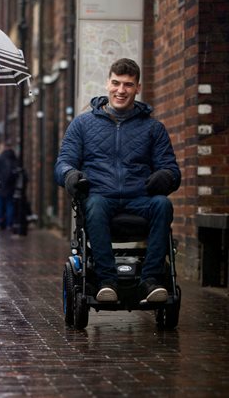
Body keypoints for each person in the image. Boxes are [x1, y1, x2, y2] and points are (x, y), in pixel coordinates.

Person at [54, 58, 180, 304]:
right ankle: (106, 282)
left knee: (163, 205)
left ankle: (151, 281)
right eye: (116, 83)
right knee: (95, 205)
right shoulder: (82, 124)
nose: (121, 90)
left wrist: (166, 177)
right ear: (107, 83)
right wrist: (71, 176)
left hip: (140, 198)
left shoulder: (153, 128)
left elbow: (171, 168)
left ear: (138, 88)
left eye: (128, 85)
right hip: (100, 197)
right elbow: (63, 162)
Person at [0, 143, 19, 231]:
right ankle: (9, 224)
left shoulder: (0, 158)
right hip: (10, 187)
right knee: (9, 206)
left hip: (0, 187)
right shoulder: (14, 159)